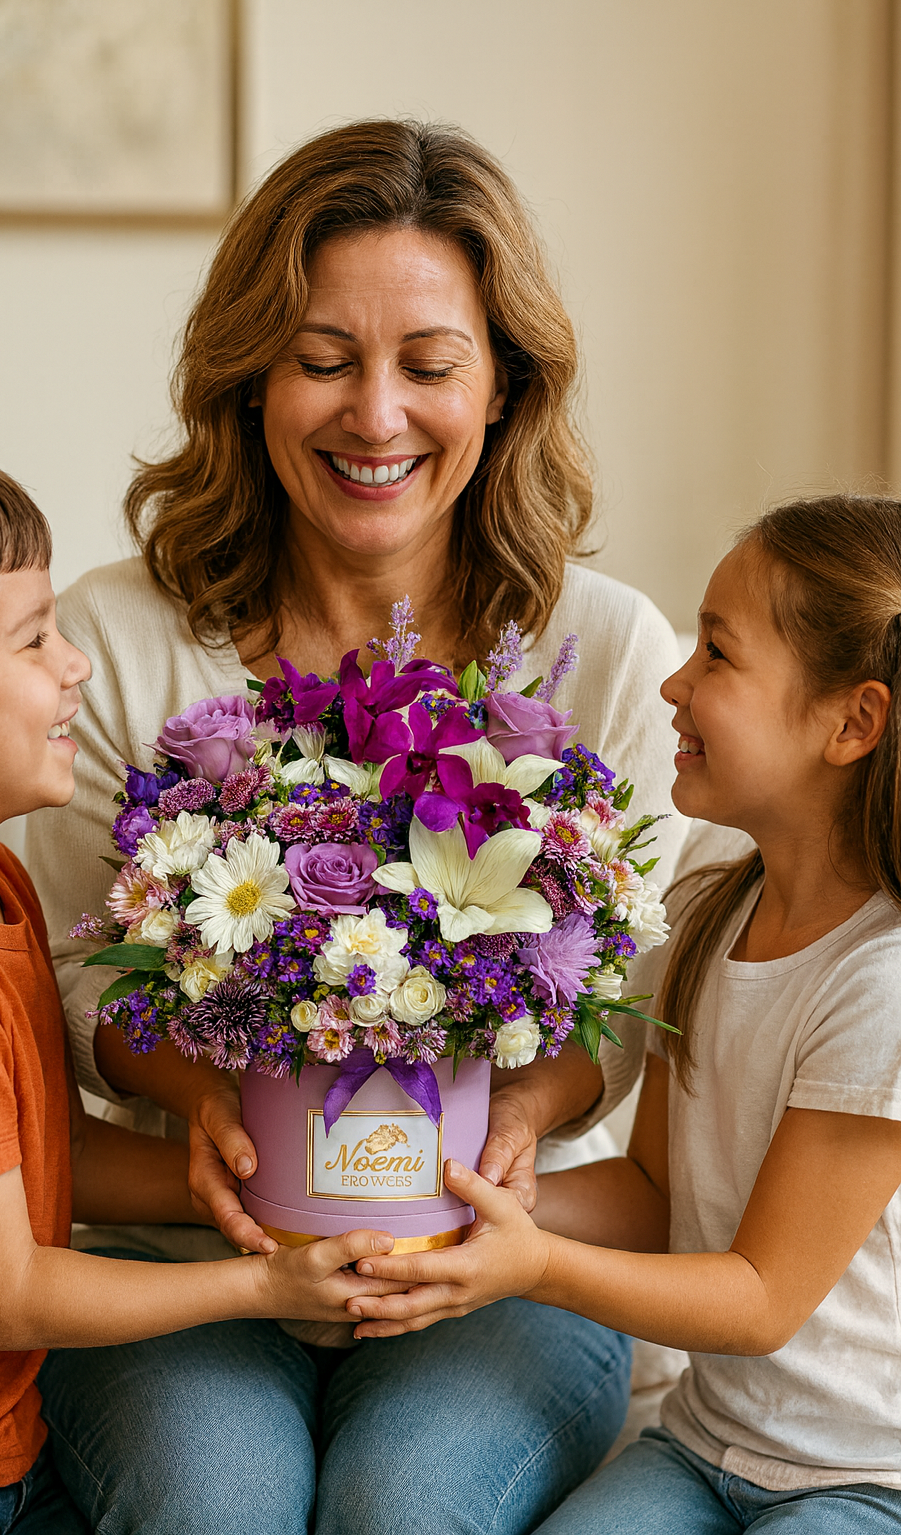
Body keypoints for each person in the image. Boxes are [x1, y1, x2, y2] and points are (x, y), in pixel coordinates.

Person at [25, 119, 687, 1534]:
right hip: (184, 1249)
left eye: (429, 365)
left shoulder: (609, 649)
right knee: (215, 1508)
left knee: (407, 1509)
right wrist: (212, 1114)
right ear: (250, 377)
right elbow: (84, 989)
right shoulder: (110, 641)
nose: (375, 416)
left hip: (498, 1257)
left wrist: (508, 1129)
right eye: (323, 360)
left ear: (503, 385)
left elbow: (624, 1004)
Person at [0, 444, 402, 1534]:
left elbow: (41, 1168)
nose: (76, 666)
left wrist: (260, 1194)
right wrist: (264, 1287)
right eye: (32, 639)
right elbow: (6, 1291)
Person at [350, 496, 901, 1531]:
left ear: (853, 722)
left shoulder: (883, 984)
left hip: (864, 1482)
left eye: (718, 655)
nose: (671, 682)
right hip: (702, 1447)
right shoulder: (705, 904)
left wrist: (535, 1266)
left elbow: (762, 1299)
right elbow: (656, 1191)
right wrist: (466, 1185)